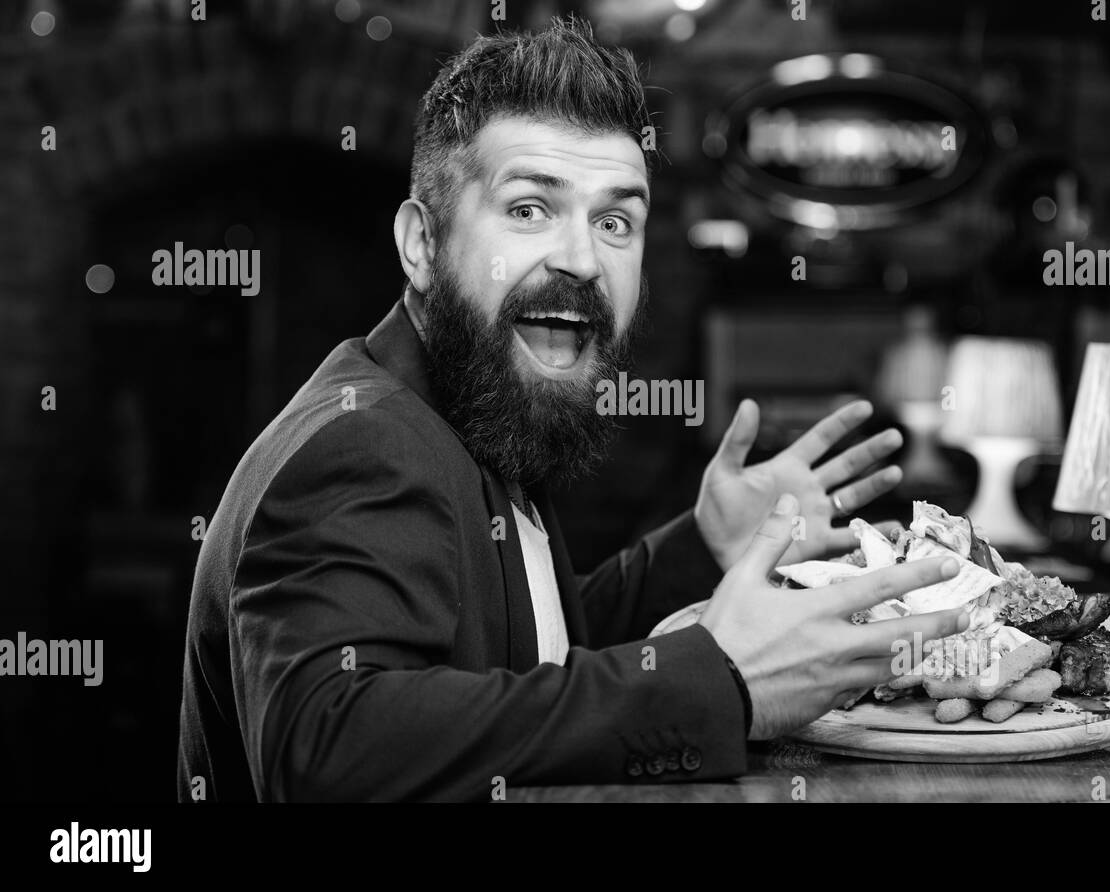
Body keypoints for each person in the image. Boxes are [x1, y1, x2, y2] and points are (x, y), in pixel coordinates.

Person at [176, 17, 967, 802]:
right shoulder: (365, 443)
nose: (582, 260)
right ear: (421, 243)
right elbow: (329, 748)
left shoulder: (472, 408)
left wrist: (703, 552)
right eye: (529, 210)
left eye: (614, 221)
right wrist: (720, 680)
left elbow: (519, 654)